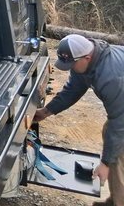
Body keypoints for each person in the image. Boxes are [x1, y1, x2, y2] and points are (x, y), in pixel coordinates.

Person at [34, 34, 124, 206]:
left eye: (72, 64)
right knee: (110, 136)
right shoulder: (85, 63)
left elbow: (120, 125)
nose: (70, 69)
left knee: (118, 153)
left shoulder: (112, 77)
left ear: (87, 57)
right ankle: (116, 199)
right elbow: (73, 89)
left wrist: (105, 163)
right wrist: (47, 111)